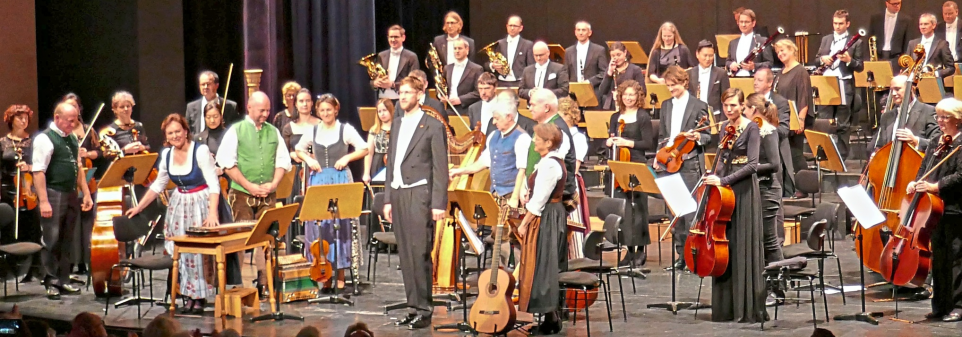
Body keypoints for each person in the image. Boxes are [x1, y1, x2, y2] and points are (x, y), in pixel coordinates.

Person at [126, 114, 226, 314]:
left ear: (186, 131)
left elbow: (213, 183)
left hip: (200, 202)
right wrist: (139, 207)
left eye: (178, 131)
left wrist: (213, 213)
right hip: (179, 204)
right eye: (170, 133)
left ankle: (199, 297)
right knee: (182, 252)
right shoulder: (167, 154)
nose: (175, 136)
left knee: (198, 253)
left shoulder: (200, 151)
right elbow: (159, 184)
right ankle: (187, 295)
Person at [383, 76, 448, 330]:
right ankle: (412, 306)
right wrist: (388, 198)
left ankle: (424, 308)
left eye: (408, 92)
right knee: (406, 254)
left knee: (420, 252)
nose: (403, 97)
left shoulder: (432, 125)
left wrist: (438, 203)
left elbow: (440, 168)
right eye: (400, 92)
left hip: (419, 193)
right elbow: (392, 163)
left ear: (420, 95)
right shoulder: (397, 123)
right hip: (399, 194)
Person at [216, 91, 292, 295]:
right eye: (262, 110)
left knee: (266, 238)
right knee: (240, 238)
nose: (266, 114)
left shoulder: (273, 132)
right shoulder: (236, 130)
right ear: (249, 108)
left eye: (268, 110)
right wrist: (249, 186)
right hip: (241, 194)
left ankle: (264, 282)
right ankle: (237, 285)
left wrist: (273, 184)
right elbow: (226, 163)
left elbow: (283, 161)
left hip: (267, 193)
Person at [295, 94, 369, 291]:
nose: (326, 113)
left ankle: (341, 273)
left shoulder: (345, 129)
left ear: (336, 110)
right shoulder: (313, 130)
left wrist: (347, 158)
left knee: (340, 226)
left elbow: (364, 148)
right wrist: (309, 160)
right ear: (318, 112)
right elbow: (298, 149)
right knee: (320, 228)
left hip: (339, 179)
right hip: (319, 181)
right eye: (322, 110)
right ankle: (322, 272)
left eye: (329, 109)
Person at [705, 88, 765, 323]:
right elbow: (723, 161)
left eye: (733, 105)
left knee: (742, 243)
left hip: (744, 191)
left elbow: (752, 165)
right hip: (725, 192)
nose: (729, 110)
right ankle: (725, 308)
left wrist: (724, 180)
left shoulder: (752, 128)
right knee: (726, 244)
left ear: (742, 105)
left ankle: (746, 307)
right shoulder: (724, 128)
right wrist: (713, 177)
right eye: (726, 106)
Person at [32, 102, 94, 300]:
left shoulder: (73, 139)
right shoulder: (45, 139)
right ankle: (51, 281)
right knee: (51, 239)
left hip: (70, 193)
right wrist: (43, 201)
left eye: (75, 120)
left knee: (68, 239)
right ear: (57, 118)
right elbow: (38, 172)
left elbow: (79, 168)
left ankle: (64, 279)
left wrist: (86, 193)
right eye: (69, 120)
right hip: (53, 192)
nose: (73, 123)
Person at [908, 98, 962, 322]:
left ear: (957, 119)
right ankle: (939, 305)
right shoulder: (935, 141)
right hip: (933, 209)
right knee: (938, 257)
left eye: (945, 117)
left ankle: (958, 306)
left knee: (957, 259)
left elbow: (960, 176)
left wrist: (935, 186)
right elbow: (924, 168)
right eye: (938, 116)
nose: (940, 121)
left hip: (955, 208)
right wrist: (915, 182)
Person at [653, 65, 711, 269]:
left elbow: (708, 136)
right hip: (669, 161)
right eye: (668, 86)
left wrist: (697, 136)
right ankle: (680, 256)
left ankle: (693, 255)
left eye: (674, 85)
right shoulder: (666, 105)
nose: (671, 89)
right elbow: (663, 135)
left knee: (690, 212)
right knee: (675, 212)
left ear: (684, 82)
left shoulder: (699, 105)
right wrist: (658, 156)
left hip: (689, 162)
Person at [517, 123, 567, 335]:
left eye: (538, 138)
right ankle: (549, 317)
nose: (534, 140)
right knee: (544, 263)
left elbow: (539, 201)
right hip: (549, 213)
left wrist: (523, 223)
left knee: (545, 263)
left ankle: (551, 318)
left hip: (548, 216)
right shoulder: (547, 162)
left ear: (548, 143)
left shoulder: (549, 166)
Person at [607, 79, 654, 267]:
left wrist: (628, 142)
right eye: (625, 95)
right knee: (624, 210)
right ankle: (628, 250)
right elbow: (611, 137)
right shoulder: (615, 117)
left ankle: (641, 250)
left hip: (636, 164)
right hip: (620, 165)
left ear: (638, 97)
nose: (628, 98)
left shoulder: (643, 117)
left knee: (639, 209)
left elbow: (648, 143)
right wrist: (609, 142)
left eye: (632, 95)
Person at [815, 10, 865, 160]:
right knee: (824, 120)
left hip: (844, 82)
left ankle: (841, 157)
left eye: (841, 23)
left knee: (843, 123)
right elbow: (817, 59)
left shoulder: (856, 42)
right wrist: (822, 59)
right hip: (826, 82)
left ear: (847, 24)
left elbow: (860, 66)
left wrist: (849, 60)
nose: (837, 26)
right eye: (835, 23)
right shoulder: (826, 39)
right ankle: (823, 155)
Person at [61, 94, 102, 276]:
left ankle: (87, 261)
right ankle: (71, 262)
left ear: (79, 109)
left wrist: (87, 154)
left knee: (87, 223)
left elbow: (99, 152)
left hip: (87, 178)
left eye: (75, 107)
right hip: (68, 179)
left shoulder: (88, 129)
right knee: (71, 223)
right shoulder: (61, 130)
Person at [0, 105, 41, 279]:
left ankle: (33, 269)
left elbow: (41, 164)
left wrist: (29, 167)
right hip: (9, 190)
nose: (24, 121)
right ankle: (11, 269)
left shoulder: (34, 141)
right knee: (10, 231)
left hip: (29, 190)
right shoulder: (3, 143)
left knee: (32, 230)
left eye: (26, 118)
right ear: (11, 120)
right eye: (19, 118)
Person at [745, 93, 785, 264]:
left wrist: (748, 168)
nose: (742, 111)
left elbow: (775, 164)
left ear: (753, 109)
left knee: (769, 241)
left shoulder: (768, 131)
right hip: (757, 188)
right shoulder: (753, 129)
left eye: (745, 108)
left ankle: (779, 287)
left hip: (768, 190)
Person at [773, 39, 813, 198]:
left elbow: (804, 96)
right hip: (780, 118)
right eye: (778, 52)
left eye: (783, 50)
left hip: (794, 118)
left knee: (796, 153)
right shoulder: (781, 72)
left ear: (792, 50)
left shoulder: (800, 71)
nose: (781, 54)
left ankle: (804, 187)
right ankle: (787, 186)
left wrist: (801, 119)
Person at [869, 75, 941, 153]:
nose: (893, 93)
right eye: (891, 90)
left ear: (910, 89)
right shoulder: (886, 116)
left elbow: (937, 144)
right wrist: (876, 154)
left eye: (897, 89)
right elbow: (880, 145)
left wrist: (916, 140)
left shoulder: (928, 111)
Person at [753, 68, 795, 197]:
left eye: (759, 80)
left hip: (774, 154)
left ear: (769, 83)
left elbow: (783, 130)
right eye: (754, 79)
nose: (755, 83)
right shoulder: (751, 101)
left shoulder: (780, 102)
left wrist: (762, 129)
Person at [282, 88, 321, 199]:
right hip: (295, 172)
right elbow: (283, 151)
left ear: (312, 103)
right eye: (301, 101)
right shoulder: (288, 127)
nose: (305, 104)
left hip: (316, 169)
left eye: (308, 101)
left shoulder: (320, 124)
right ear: (296, 104)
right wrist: (292, 154)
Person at [373, 25, 420, 100]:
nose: (393, 39)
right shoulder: (381, 55)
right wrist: (375, 83)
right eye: (390, 37)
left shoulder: (411, 57)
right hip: (383, 99)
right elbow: (372, 80)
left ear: (403, 38)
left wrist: (393, 85)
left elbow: (414, 81)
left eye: (396, 37)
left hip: (403, 99)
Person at [597, 42, 647, 111]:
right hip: (612, 106)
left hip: (630, 106)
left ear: (625, 52)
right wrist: (609, 73)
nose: (616, 58)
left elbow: (643, 92)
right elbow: (602, 91)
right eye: (613, 56)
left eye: (618, 55)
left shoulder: (635, 69)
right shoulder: (610, 69)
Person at [439, 38, 483, 115]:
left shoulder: (477, 69)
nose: (457, 51)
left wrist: (460, 99)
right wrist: (441, 95)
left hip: (467, 109)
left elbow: (478, 92)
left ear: (467, 49)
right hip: (449, 109)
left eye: (460, 48)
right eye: (455, 48)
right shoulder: (447, 68)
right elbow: (441, 86)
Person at [102, 91, 151, 157]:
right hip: (121, 165)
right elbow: (107, 155)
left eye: (128, 106)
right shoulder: (110, 130)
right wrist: (125, 150)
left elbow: (148, 146)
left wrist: (142, 147)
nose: (126, 109)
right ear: (115, 110)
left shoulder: (139, 126)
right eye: (122, 107)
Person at [490, 15, 535, 87]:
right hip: (501, 82)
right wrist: (492, 65)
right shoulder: (499, 43)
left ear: (521, 28)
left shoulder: (528, 45)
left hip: (520, 82)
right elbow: (487, 63)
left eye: (515, 26)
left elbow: (531, 65)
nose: (512, 28)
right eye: (510, 25)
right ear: (506, 26)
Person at [688, 40, 731, 115]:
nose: (708, 59)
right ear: (697, 54)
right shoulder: (689, 73)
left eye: (711, 56)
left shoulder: (721, 73)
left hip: (715, 115)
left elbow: (726, 99)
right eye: (705, 55)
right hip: (694, 115)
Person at [726, 9, 774, 77]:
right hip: (735, 79)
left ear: (753, 23)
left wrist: (754, 66)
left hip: (754, 80)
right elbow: (728, 61)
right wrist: (731, 64)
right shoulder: (733, 43)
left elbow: (769, 63)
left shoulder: (762, 41)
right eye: (741, 22)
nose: (743, 25)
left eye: (746, 22)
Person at [907, 13, 956, 78]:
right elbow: (907, 65)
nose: (923, 27)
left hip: (933, 81)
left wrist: (935, 74)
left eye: (926, 24)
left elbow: (950, 68)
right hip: (914, 81)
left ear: (933, 25)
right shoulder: (912, 43)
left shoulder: (942, 44)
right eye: (921, 24)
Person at [564, 21, 609, 90]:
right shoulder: (568, 51)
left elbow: (604, 72)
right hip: (574, 91)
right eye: (578, 30)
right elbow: (565, 73)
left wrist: (589, 82)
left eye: (583, 30)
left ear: (589, 33)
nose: (581, 33)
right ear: (575, 32)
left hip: (592, 90)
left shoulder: (599, 50)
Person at [363, 98, 394, 185]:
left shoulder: (397, 128)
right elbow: (369, 153)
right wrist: (366, 173)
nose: (382, 114)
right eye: (379, 111)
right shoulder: (374, 130)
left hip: (393, 162)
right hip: (378, 164)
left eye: (385, 110)